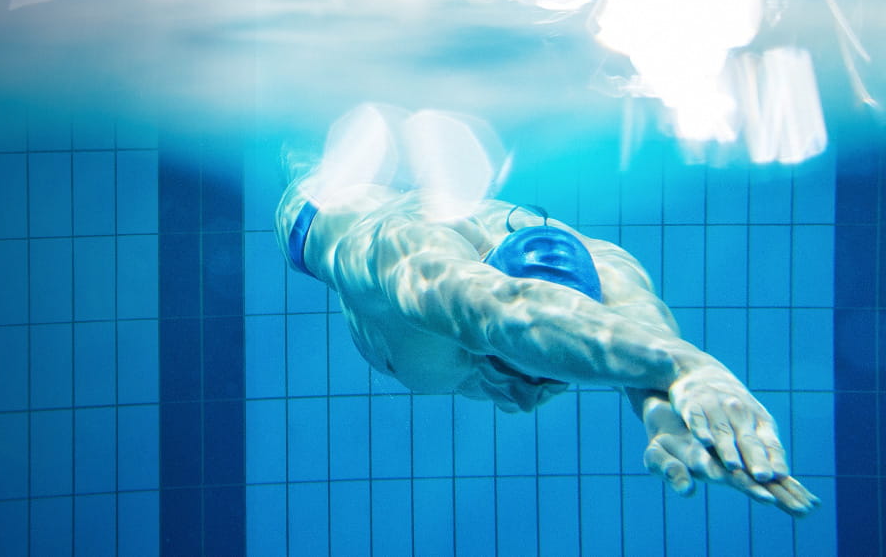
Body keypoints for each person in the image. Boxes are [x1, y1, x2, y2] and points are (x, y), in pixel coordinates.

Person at [276, 105, 819, 516]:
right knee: (325, 162)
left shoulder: (608, 274)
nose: (527, 399)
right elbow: (505, 312)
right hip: (329, 207)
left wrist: (661, 411)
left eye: (556, 378)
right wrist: (692, 368)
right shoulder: (421, 265)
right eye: (508, 366)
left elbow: (640, 344)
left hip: (467, 240)